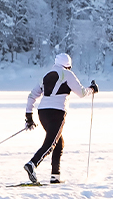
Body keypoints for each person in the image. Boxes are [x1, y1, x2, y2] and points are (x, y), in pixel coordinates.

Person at [23, 53, 98, 184]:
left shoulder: (45, 76)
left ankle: (55, 176)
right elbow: (81, 93)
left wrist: (29, 117)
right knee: (51, 143)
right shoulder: (67, 74)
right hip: (57, 113)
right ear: (68, 65)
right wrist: (92, 89)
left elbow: (31, 96)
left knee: (58, 142)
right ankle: (32, 164)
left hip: (43, 113)